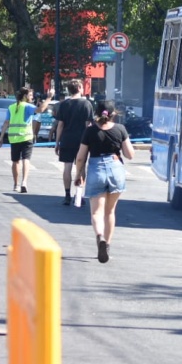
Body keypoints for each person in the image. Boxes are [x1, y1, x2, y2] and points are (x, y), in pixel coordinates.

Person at [73, 100, 135, 263]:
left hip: (96, 169)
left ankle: (99, 236)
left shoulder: (90, 131)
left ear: (96, 113)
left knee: (96, 212)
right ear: (113, 113)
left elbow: (80, 157)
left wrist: (79, 173)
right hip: (116, 169)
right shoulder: (120, 129)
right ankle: (107, 245)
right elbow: (130, 154)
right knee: (110, 212)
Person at [0, 87, 53, 192]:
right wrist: (49, 97)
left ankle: (15, 184)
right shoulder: (27, 106)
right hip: (27, 137)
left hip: (14, 138)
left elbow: (6, 123)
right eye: (30, 95)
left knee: (15, 161)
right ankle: (24, 182)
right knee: (26, 160)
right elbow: (41, 110)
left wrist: (1, 137)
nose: (32, 97)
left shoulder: (11, 107)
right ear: (25, 96)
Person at [55, 81, 95, 205]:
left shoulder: (64, 104)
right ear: (78, 88)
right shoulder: (86, 104)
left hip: (66, 139)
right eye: (82, 86)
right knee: (81, 167)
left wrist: (57, 142)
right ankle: (79, 195)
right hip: (82, 141)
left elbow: (60, 125)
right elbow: (88, 125)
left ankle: (67, 195)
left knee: (67, 167)